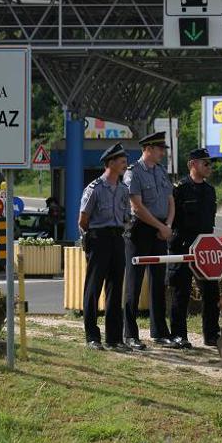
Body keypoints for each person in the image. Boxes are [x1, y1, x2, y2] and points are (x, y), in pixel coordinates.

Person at [123, 131, 176, 350]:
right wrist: (160, 226)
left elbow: (170, 200)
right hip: (141, 230)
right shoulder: (133, 172)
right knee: (134, 283)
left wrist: (168, 226)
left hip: (161, 229)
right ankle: (130, 333)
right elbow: (136, 206)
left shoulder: (162, 172)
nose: (163, 152)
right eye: (160, 149)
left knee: (158, 281)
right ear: (149, 149)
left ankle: (159, 331)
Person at [78, 143, 130, 351]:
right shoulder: (94, 189)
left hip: (117, 239)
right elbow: (83, 219)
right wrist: (90, 240)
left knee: (116, 287)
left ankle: (114, 338)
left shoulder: (124, 189)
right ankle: (92, 336)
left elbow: (126, 216)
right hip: (98, 239)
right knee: (93, 287)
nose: (125, 163)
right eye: (121, 160)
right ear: (110, 163)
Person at [168, 147, 220, 349]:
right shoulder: (179, 189)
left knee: (211, 293)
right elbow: (171, 219)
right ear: (192, 165)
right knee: (181, 292)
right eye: (205, 163)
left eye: (210, 163)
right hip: (183, 245)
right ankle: (179, 335)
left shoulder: (210, 190)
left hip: (204, 247)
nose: (209, 167)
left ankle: (211, 334)